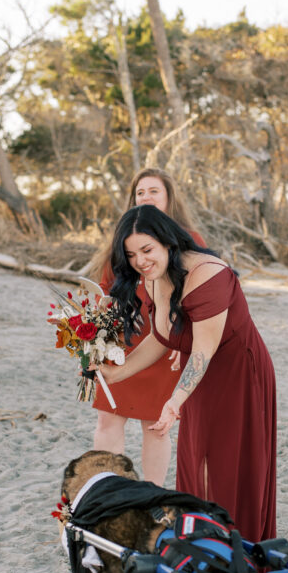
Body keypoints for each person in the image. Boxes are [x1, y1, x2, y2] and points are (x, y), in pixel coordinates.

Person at [96, 203, 277, 543]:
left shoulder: (208, 274)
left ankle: (238, 547)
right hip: (199, 381)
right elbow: (160, 338)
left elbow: (203, 350)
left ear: (167, 241)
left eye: (147, 249)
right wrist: (115, 374)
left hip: (238, 376)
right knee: (198, 464)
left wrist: (173, 401)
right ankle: (205, 546)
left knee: (226, 466)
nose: (140, 261)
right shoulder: (152, 279)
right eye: (131, 254)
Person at [88, 167, 205, 485]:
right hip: (122, 340)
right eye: (140, 192)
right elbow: (106, 293)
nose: (147, 197)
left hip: (166, 343)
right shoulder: (124, 238)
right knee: (108, 418)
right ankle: (108, 490)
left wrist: (186, 343)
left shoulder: (189, 241)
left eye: (154, 191)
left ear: (169, 198)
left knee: (156, 424)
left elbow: (200, 300)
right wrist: (99, 339)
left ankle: (152, 493)